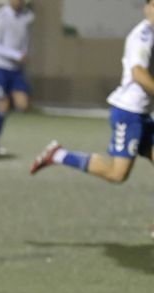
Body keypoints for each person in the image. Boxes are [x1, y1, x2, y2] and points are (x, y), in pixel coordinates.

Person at [31, 0, 154, 190]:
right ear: (146, 8)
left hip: (143, 113)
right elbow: (138, 73)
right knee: (117, 174)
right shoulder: (143, 36)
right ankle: (58, 155)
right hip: (129, 113)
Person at [0, 0, 34, 157]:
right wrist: (17, 55)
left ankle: (1, 105)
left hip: (15, 69)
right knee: (3, 106)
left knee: (23, 104)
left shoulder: (28, 16)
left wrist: (23, 54)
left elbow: (24, 39)